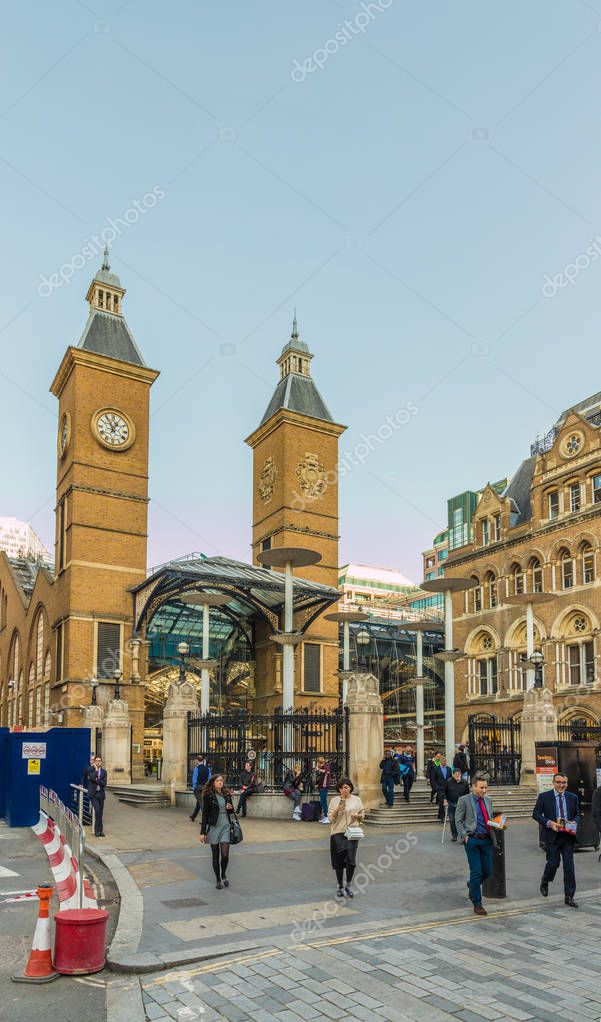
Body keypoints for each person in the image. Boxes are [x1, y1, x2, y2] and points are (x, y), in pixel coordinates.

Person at [533, 772, 581, 908]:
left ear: (567, 783)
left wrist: (574, 822)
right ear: (553, 783)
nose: (561, 785)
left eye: (564, 782)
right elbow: (535, 814)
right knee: (553, 863)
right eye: (559, 782)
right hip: (552, 835)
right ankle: (545, 880)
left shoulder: (573, 797)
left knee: (569, 867)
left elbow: (578, 814)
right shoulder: (544, 797)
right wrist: (549, 823)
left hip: (567, 836)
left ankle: (569, 896)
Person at [455, 774, 495, 915]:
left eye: (486, 787)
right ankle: (477, 903)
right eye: (481, 787)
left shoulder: (488, 800)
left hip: (487, 840)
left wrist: (497, 824)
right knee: (476, 871)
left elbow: (488, 819)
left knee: (488, 871)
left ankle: (472, 884)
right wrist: (464, 836)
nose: (484, 790)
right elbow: (458, 820)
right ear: (473, 787)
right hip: (472, 840)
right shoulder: (464, 800)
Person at [328, 777, 365, 899]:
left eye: (347, 787)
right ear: (339, 789)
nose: (345, 789)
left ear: (350, 788)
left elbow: (362, 816)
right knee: (339, 861)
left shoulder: (357, 800)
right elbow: (330, 819)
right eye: (342, 787)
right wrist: (338, 809)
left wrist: (358, 816)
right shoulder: (334, 801)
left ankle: (348, 885)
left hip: (352, 832)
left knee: (351, 861)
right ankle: (340, 886)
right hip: (337, 833)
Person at [199, 774, 234, 889]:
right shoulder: (208, 796)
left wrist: (230, 808)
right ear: (213, 782)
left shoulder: (226, 794)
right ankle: (218, 879)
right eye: (218, 781)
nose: (220, 782)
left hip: (225, 826)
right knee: (215, 855)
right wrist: (202, 832)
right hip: (214, 827)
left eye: (221, 780)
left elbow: (231, 811)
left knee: (225, 855)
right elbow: (204, 815)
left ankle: (223, 874)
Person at [83, 754, 107, 838]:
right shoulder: (90, 769)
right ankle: (97, 831)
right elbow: (92, 778)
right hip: (93, 794)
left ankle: (100, 830)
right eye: (96, 761)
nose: (98, 762)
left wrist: (97, 780)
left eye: (99, 761)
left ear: (101, 762)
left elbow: (104, 783)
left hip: (101, 794)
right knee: (97, 811)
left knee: (100, 813)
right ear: (94, 762)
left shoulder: (104, 772)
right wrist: (96, 771)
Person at [443, 767, 469, 841]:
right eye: (455, 774)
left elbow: (467, 793)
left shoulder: (464, 782)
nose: (457, 775)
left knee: (461, 820)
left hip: (461, 805)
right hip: (451, 803)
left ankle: (462, 835)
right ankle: (454, 835)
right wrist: (445, 800)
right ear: (453, 774)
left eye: (458, 774)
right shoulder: (449, 781)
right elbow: (444, 791)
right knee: (452, 820)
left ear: (461, 774)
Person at [189, 756, 211, 822]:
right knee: (199, 802)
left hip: (198, 788)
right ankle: (193, 816)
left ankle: (205, 820)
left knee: (201, 803)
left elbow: (194, 779)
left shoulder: (197, 768)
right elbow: (209, 779)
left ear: (197, 760)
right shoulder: (208, 769)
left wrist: (194, 787)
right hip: (205, 788)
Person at [433, 755, 451, 822]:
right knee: (441, 802)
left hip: (447, 788)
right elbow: (433, 779)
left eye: (445, 761)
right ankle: (442, 817)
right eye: (443, 761)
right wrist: (436, 787)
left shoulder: (449, 769)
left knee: (445, 802)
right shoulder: (436, 768)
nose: (444, 762)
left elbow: (450, 778)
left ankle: (439, 815)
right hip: (440, 788)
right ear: (440, 761)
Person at [315, 757, 332, 824]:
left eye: (318, 763)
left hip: (324, 787)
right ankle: (325, 816)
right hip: (321, 786)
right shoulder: (321, 768)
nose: (317, 764)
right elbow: (320, 778)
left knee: (323, 802)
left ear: (320, 762)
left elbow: (326, 772)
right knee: (323, 801)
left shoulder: (326, 767)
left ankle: (327, 817)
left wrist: (318, 769)